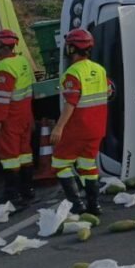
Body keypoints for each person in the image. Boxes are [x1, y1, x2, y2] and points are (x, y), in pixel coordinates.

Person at [51, 29, 109, 215]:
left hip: (77, 128)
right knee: (87, 164)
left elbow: (71, 103)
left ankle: (77, 204)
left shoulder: (72, 73)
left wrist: (58, 128)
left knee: (60, 163)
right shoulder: (99, 69)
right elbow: (108, 91)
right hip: (97, 128)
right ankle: (94, 205)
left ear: (72, 48)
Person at [0, 29, 35, 208]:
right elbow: (30, 90)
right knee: (25, 153)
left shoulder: (4, 68)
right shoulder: (22, 61)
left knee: (10, 155)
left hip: (10, 117)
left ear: (1, 45)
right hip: (24, 114)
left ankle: (12, 194)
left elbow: (2, 98)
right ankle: (27, 190)